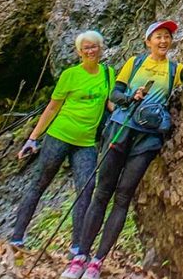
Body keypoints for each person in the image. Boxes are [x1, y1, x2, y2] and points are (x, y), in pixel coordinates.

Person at [61, 18, 183, 279]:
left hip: (147, 140)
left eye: (167, 36)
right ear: (148, 41)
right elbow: (115, 93)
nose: (163, 40)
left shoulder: (173, 70)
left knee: (123, 198)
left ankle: (96, 263)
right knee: (101, 193)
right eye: (158, 36)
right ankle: (79, 257)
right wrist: (131, 97)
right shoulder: (134, 64)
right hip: (120, 130)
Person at [10, 30, 114, 255]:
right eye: (86, 47)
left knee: (86, 190)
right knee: (40, 183)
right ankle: (17, 238)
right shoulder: (70, 75)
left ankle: (77, 247)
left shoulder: (108, 73)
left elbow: (110, 104)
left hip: (86, 142)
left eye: (94, 46)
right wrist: (33, 138)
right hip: (59, 136)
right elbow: (53, 107)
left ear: (100, 48)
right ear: (79, 52)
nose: (90, 50)